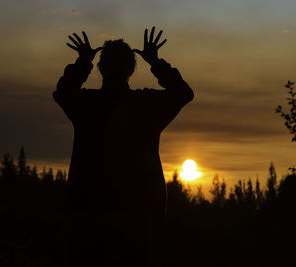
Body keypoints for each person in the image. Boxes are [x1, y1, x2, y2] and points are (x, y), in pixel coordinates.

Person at [53, 26, 194, 267]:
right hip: (134, 215)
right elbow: (183, 93)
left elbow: (63, 92)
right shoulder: (146, 106)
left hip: (88, 215)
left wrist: (82, 62)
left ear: (100, 69)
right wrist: (155, 62)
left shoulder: (87, 105)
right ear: (131, 69)